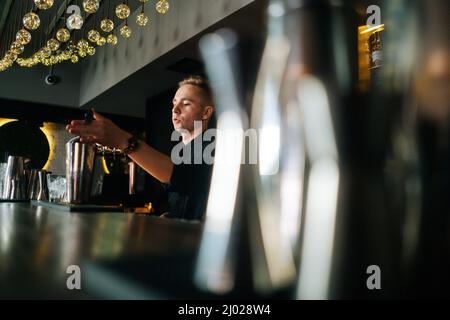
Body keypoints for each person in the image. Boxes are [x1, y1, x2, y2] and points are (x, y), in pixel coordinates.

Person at [66, 76, 215, 220]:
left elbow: (180, 176)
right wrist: (169, 216)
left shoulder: (214, 146)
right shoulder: (183, 152)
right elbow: (187, 196)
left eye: (186, 103)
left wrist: (121, 140)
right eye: (174, 103)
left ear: (206, 113)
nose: (175, 109)